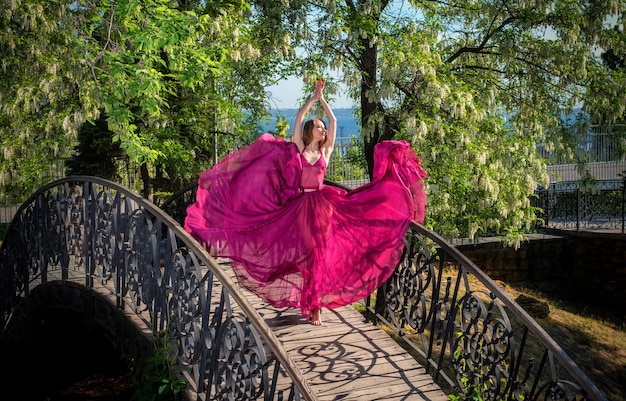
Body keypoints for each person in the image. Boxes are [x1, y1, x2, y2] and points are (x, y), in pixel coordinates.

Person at [184, 79, 427, 326]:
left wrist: (323, 100)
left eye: (323, 128)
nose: (323, 130)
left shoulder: (326, 151)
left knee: (318, 255)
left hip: (323, 205)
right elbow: (299, 117)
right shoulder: (300, 149)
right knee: (306, 255)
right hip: (301, 206)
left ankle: (315, 306)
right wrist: (313, 97)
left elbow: (333, 122)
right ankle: (309, 300)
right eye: (319, 127)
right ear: (311, 130)